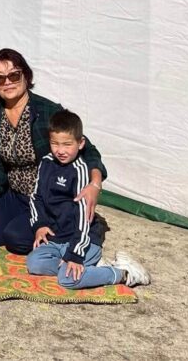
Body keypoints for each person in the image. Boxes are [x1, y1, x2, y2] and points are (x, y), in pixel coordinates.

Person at [0, 48, 107, 255]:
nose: (7, 82)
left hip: (49, 196)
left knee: (16, 240)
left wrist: (95, 184)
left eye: (14, 75)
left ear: (26, 76)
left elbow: (88, 149)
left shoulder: (46, 111)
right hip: (16, 194)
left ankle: (82, 225)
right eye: (0, 79)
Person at [26, 109, 150, 289]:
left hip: (83, 239)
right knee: (34, 264)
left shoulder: (81, 170)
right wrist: (39, 225)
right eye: (55, 144)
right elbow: (35, 197)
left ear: (80, 143)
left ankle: (123, 273)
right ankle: (92, 267)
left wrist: (75, 255)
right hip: (57, 238)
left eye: (67, 144)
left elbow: (84, 217)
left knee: (67, 280)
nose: (60, 150)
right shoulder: (46, 162)